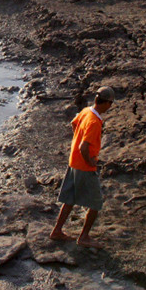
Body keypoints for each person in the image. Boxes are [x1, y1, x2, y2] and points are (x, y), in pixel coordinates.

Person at [50, 86, 116, 248]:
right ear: (106, 103)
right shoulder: (94, 122)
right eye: (111, 103)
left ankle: (57, 230)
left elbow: (74, 124)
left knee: (70, 199)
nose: (110, 107)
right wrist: (90, 160)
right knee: (96, 203)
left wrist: (77, 141)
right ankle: (84, 236)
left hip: (74, 162)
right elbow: (84, 148)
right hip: (84, 167)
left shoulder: (86, 111)